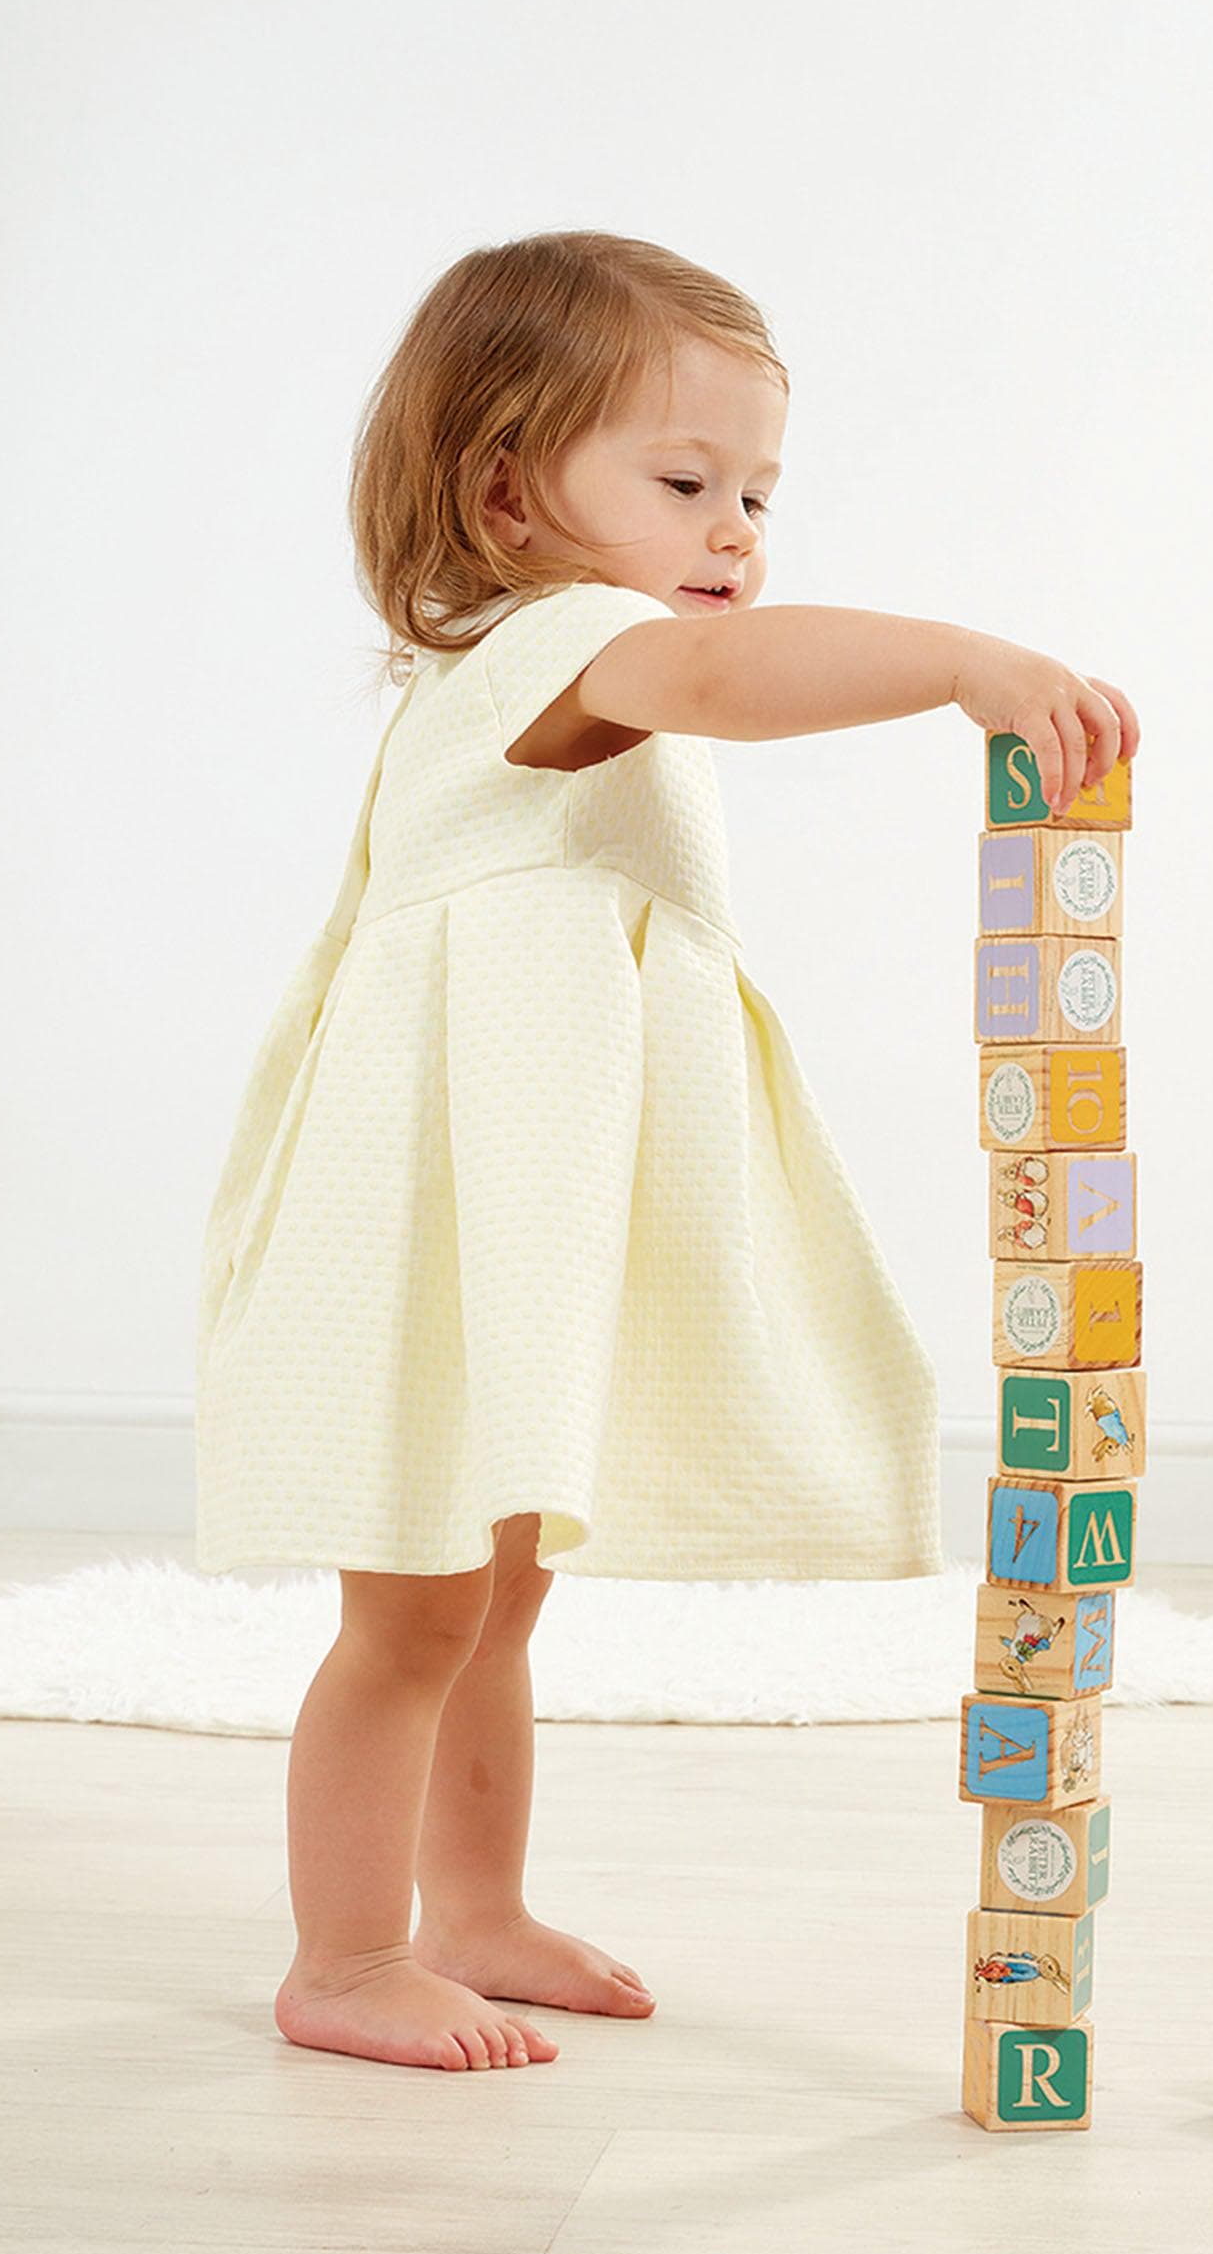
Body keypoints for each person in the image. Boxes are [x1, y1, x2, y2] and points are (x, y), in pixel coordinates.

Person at [191, 228, 1141, 2075]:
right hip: (435, 1224)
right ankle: (343, 1954)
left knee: (499, 1598)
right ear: (507, 492)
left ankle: (474, 1911)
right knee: (411, 1611)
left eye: (761, 493)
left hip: (516, 1214)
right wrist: (960, 661)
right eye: (688, 481)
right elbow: (727, 682)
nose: (736, 532)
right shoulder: (561, 648)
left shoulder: (583, 657)